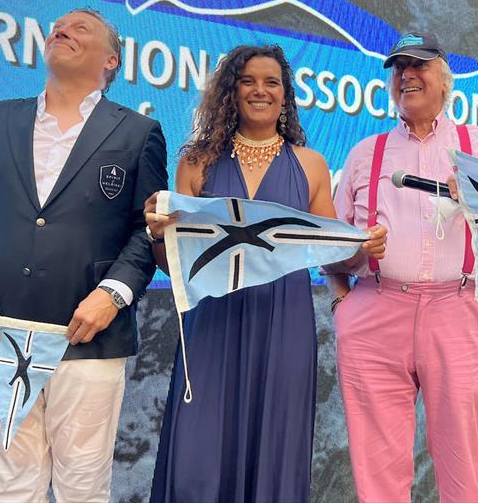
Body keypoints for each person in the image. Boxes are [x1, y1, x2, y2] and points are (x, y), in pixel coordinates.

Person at [145, 44, 386, 503]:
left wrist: (362, 249)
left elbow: (333, 257)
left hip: (284, 321)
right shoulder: (196, 162)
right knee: (198, 456)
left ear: (285, 94)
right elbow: (177, 265)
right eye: (248, 80)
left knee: (272, 449)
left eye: (271, 82)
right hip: (211, 323)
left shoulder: (310, 164)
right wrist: (158, 235)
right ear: (230, 92)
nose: (260, 90)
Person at [0, 8, 167, 502]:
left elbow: (150, 230)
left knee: (83, 487)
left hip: (88, 339)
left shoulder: (138, 132)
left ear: (110, 60)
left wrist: (114, 293)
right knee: (11, 486)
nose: (61, 29)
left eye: (81, 27)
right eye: (57, 25)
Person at [329, 32, 478, 502]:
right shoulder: (363, 155)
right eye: (399, 68)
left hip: (456, 310)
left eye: (419, 65)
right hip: (375, 310)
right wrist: (343, 295)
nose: (407, 75)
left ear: (444, 78)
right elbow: (330, 249)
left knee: (461, 460)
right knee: (378, 466)